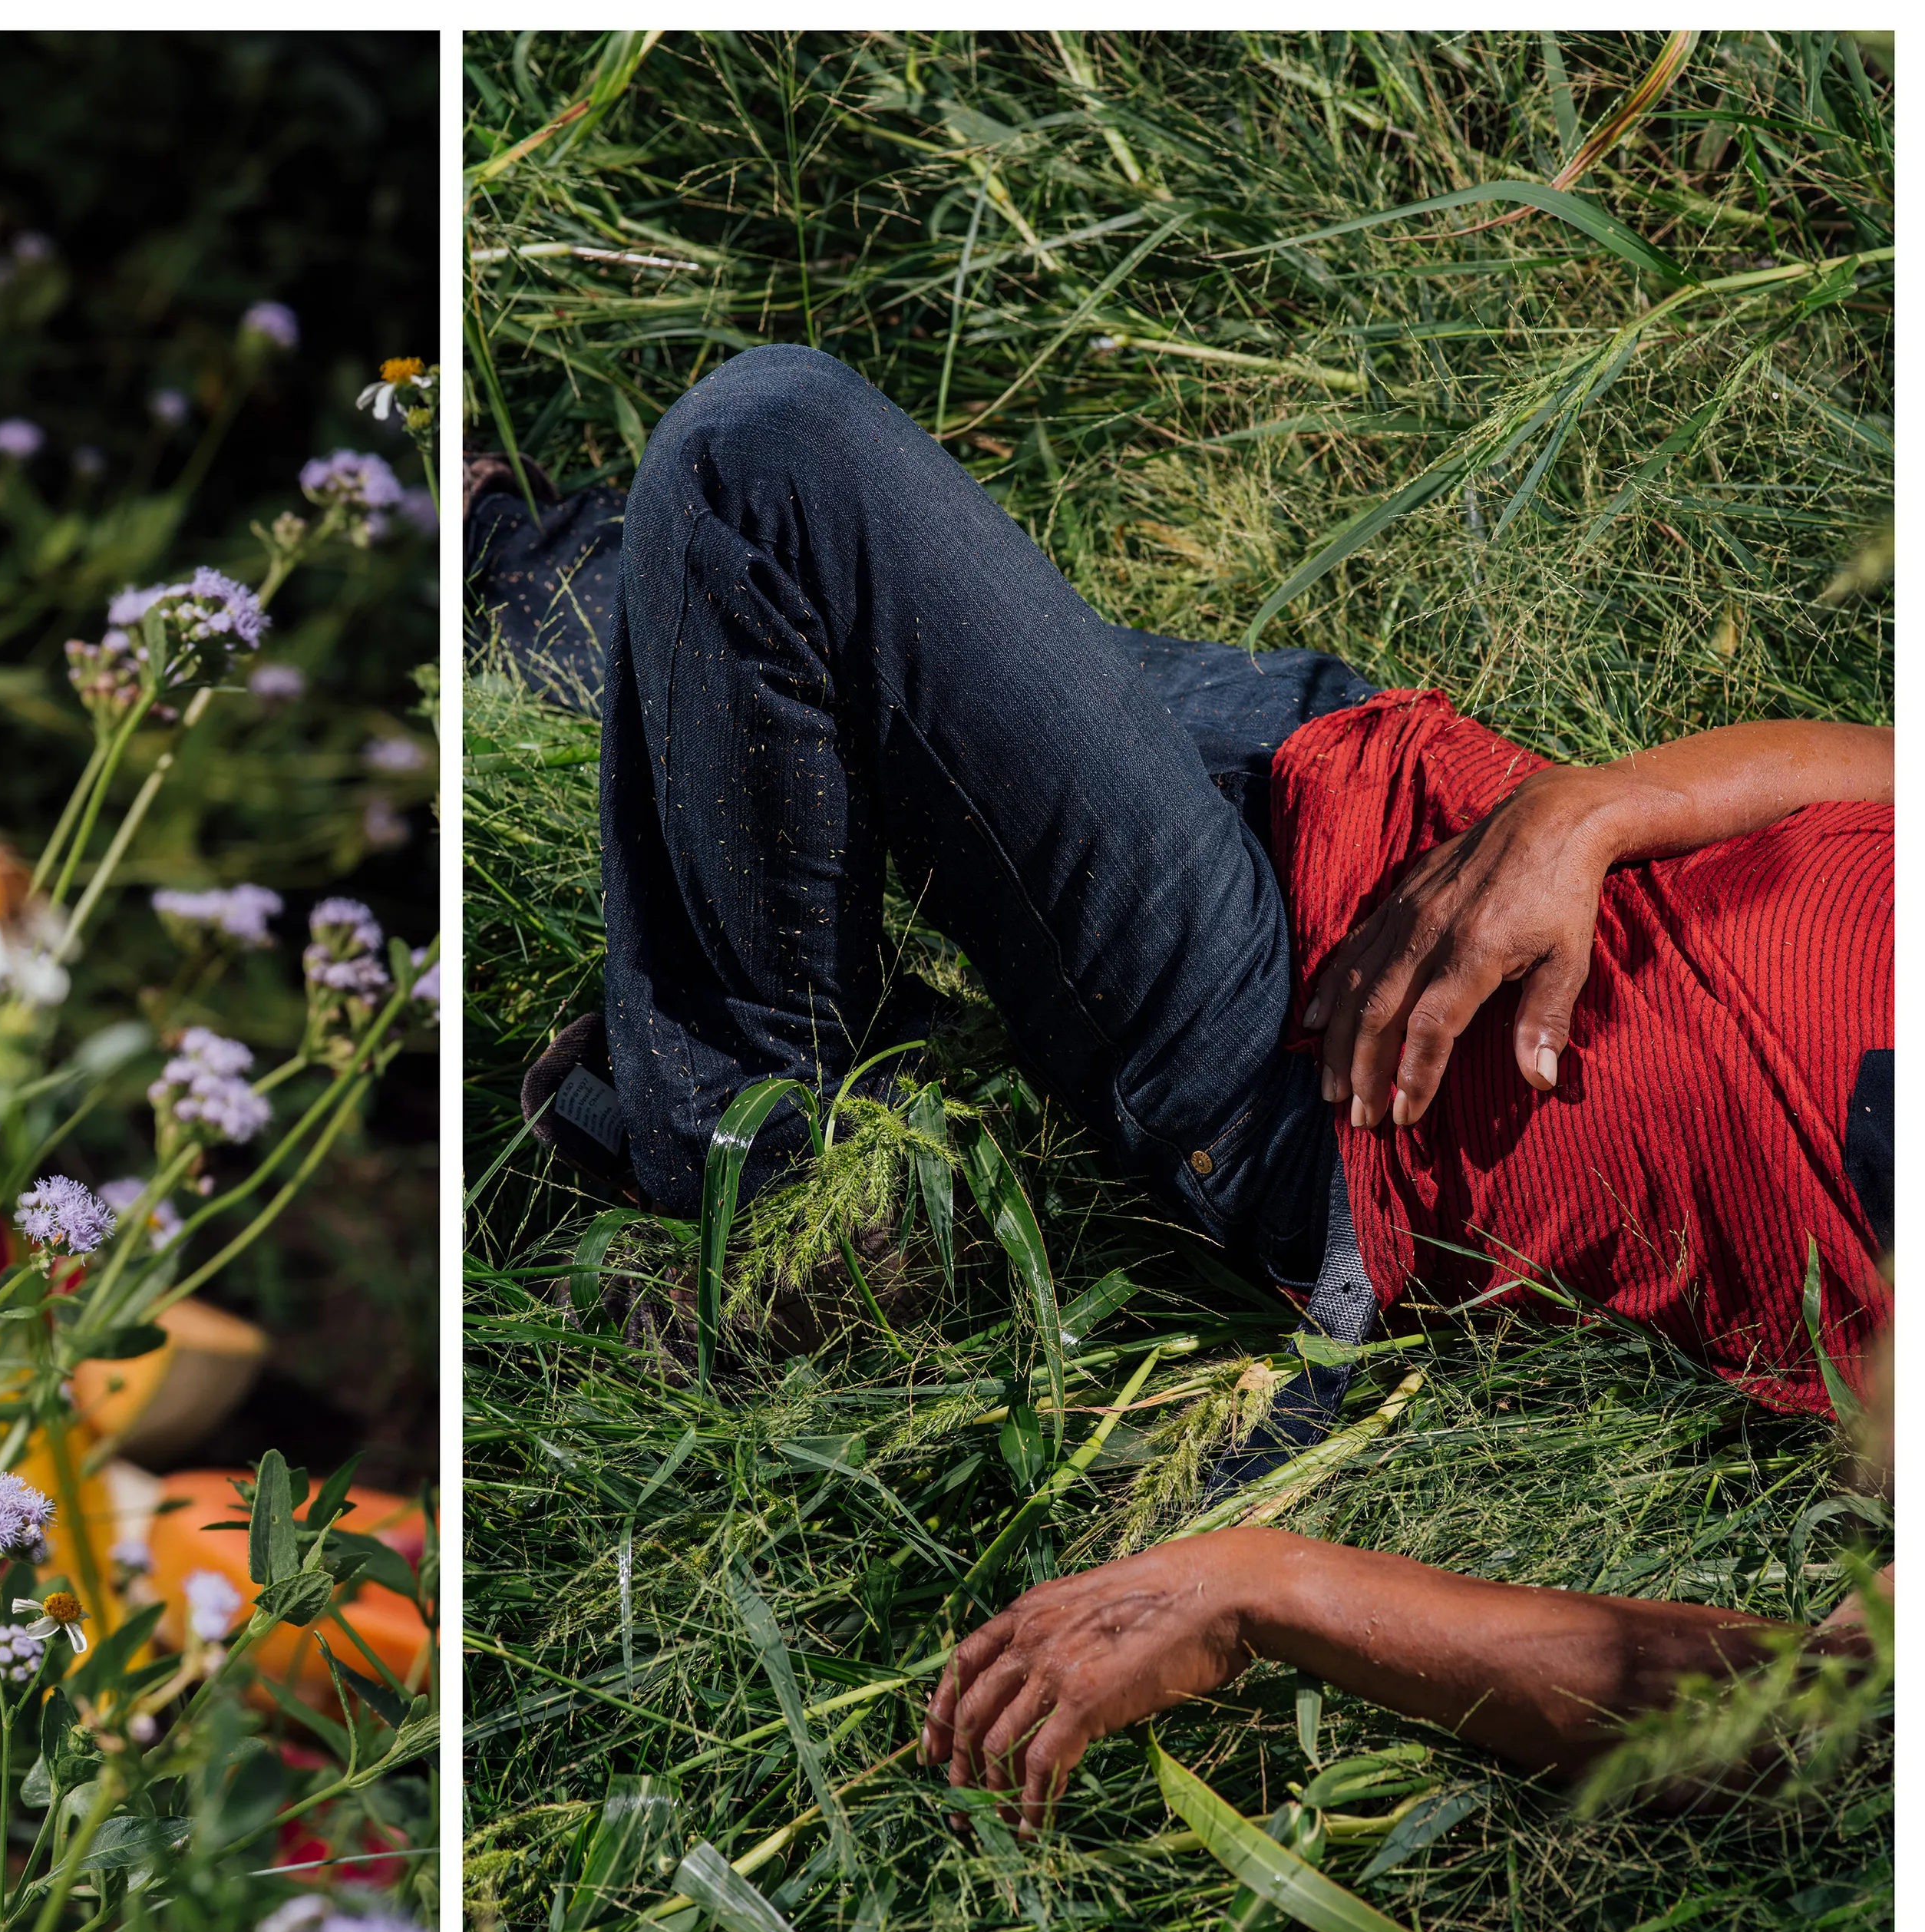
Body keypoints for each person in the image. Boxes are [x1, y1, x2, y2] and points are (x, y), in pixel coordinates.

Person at [482, 342, 1892, 1825]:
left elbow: (1821, 1724)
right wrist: (1589, 810)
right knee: (739, 597)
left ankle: (768, 1215)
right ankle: (446, 566)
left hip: (1298, 1059)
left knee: (764, 464)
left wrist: (1262, 1588)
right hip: (1374, 768)